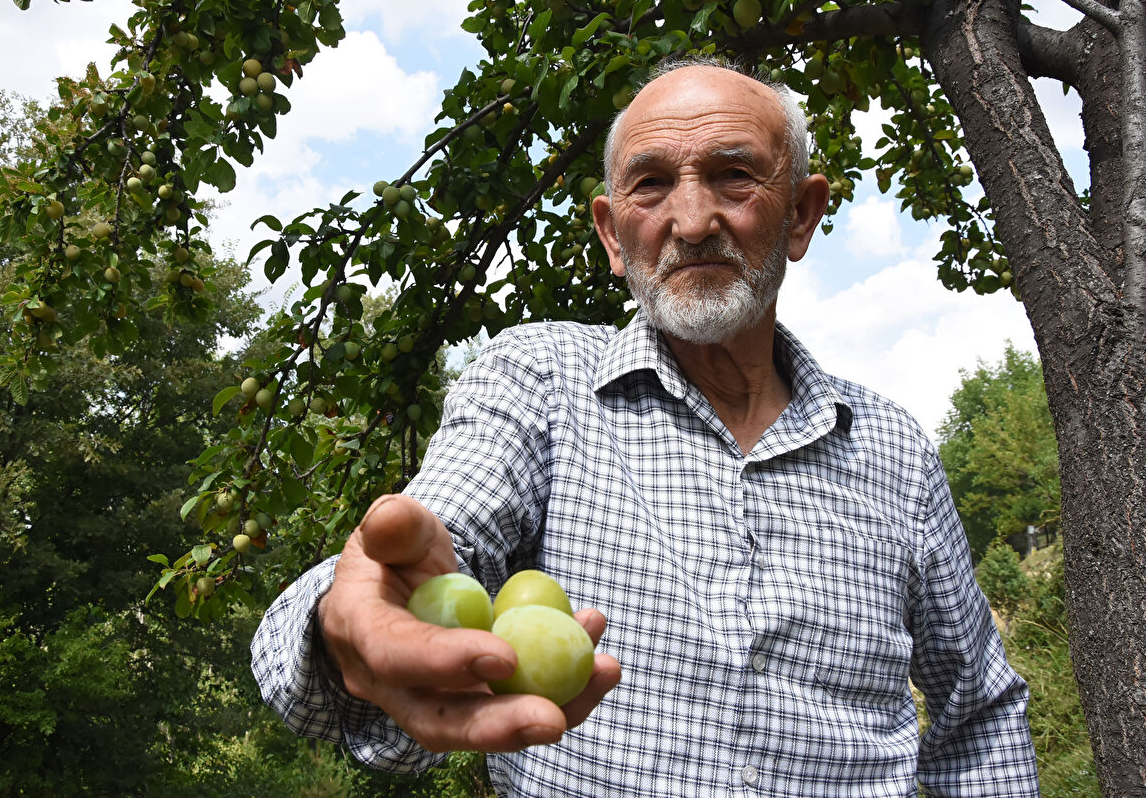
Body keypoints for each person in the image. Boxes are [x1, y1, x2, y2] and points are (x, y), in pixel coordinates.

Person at [251, 58, 1040, 796]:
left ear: (801, 215)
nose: (692, 222)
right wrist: (350, 617)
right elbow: (445, 530)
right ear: (610, 235)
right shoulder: (540, 380)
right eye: (652, 185)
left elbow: (981, 716)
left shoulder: (894, 448)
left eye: (733, 176)